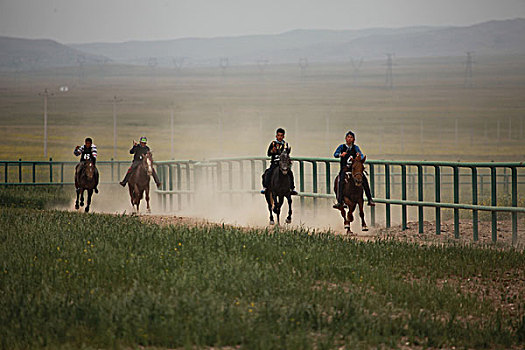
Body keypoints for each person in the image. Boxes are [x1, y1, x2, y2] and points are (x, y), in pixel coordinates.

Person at [333, 131, 375, 209]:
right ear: (345, 139)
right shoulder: (342, 147)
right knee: (340, 181)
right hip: (345, 169)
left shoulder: (355, 148)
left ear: (354, 139)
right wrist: (340, 155)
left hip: (354, 170)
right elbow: (335, 154)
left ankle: (370, 199)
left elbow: (361, 155)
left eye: (351, 137)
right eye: (348, 137)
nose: (349, 139)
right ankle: (340, 201)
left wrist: (359, 156)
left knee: (364, 180)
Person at [261, 128, 298, 195]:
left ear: (283, 136)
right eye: (278, 135)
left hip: (283, 164)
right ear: (276, 136)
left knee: (290, 173)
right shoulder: (273, 144)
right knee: (268, 173)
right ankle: (265, 187)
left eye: (281, 136)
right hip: (275, 163)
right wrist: (272, 151)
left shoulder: (286, 145)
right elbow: (268, 154)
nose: (280, 137)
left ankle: (292, 188)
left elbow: (287, 154)